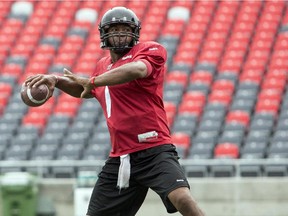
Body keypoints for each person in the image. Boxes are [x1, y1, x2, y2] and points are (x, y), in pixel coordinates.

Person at [25, 6, 205, 216]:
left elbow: (136, 70)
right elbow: (86, 89)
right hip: (121, 158)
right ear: (104, 34)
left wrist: (92, 81)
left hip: (154, 149)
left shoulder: (150, 50)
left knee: (182, 197)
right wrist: (56, 80)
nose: (120, 34)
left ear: (135, 31)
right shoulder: (102, 67)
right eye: (114, 29)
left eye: (124, 28)